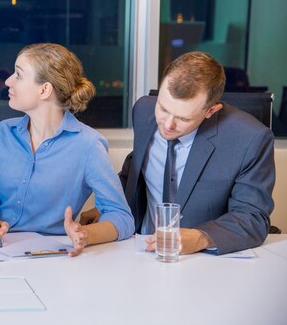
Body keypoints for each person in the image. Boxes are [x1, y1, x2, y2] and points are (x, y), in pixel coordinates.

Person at [81, 52, 275, 255]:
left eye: (183, 118)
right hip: (137, 249)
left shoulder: (250, 139)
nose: (167, 125)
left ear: (211, 110)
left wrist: (202, 237)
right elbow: (135, 173)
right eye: (163, 108)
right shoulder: (143, 110)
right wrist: (111, 208)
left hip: (200, 260)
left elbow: (252, 218)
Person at [0, 43, 134, 256]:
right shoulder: (4, 133)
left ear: (44, 90)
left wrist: (86, 234)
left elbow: (121, 216)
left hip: (49, 258)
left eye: (18, 75)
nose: (8, 81)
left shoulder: (88, 145)